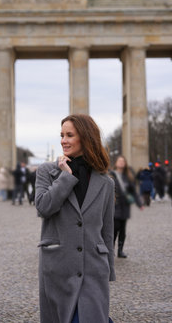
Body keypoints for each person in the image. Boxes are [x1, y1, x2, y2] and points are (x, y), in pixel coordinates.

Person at [35, 114, 115, 323]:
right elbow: (43, 208)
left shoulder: (105, 182)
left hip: (93, 268)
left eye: (70, 135)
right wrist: (65, 177)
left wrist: (109, 270)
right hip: (58, 266)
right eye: (62, 135)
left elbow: (107, 229)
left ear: (86, 138)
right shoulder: (47, 171)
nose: (63, 140)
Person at [109, 155, 143, 258]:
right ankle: (111, 250)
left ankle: (120, 250)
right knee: (114, 229)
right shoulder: (111, 175)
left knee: (123, 230)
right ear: (116, 163)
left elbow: (133, 192)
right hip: (115, 205)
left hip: (125, 206)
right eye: (119, 161)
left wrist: (139, 203)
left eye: (123, 161)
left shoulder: (128, 176)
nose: (121, 163)